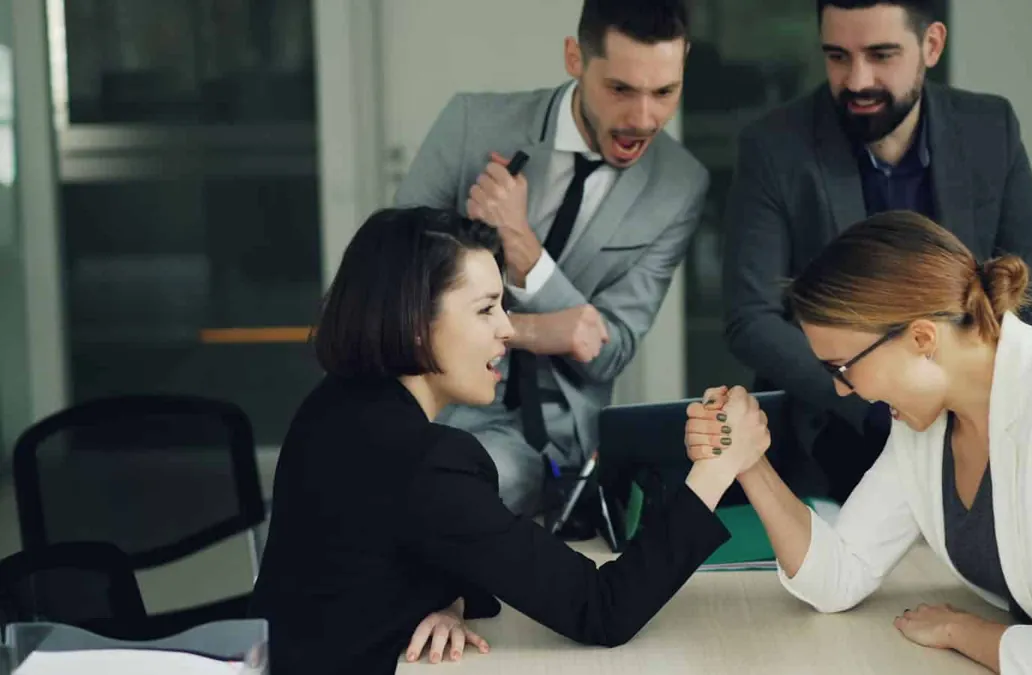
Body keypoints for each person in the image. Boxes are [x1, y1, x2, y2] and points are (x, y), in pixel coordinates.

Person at [250, 207, 769, 675]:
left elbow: (421, 549)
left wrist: (448, 598)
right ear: (413, 324)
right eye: (485, 309)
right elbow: (602, 610)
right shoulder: (424, 461)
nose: (507, 331)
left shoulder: (336, 407)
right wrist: (716, 469)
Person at [689, 211, 1032, 674]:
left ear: (922, 339)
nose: (841, 389)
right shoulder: (929, 423)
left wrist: (962, 630)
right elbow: (838, 576)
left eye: (842, 368)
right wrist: (748, 461)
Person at [722, 0, 1032, 505]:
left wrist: (999, 405)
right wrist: (870, 403)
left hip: (979, 422)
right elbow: (750, 319)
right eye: (837, 56)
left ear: (931, 45)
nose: (857, 79)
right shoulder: (775, 146)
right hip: (837, 429)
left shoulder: (989, 129)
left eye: (881, 55)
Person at [394, 0, 708, 518]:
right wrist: (543, 329)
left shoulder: (680, 185)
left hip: (539, 437)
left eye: (665, 92)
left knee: (459, 491)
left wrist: (522, 245)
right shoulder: (474, 123)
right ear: (574, 59)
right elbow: (386, 288)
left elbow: (609, 350)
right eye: (620, 89)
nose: (644, 119)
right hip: (420, 400)